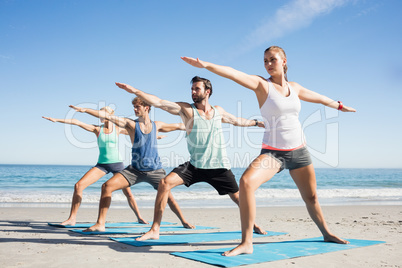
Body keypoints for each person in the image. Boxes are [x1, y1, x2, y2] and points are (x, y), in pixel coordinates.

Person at [181, 46, 356, 256]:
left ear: (284, 61)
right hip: (274, 153)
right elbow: (234, 74)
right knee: (246, 183)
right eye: (265, 61)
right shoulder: (262, 85)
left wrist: (338, 105)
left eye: (272, 59)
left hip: (299, 151)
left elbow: (317, 97)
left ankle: (326, 233)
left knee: (311, 198)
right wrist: (206, 65)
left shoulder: (295, 88)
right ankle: (247, 242)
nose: (268, 64)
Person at [115, 76, 267, 242]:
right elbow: (159, 102)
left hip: (219, 166)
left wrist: (255, 123)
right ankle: (155, 229)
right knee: (164, 183)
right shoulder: (187, 110)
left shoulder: (218, 111)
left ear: (207, 92)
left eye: (197, 89)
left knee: (238, 198)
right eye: (192, 89)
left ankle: (254, 224)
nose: (193, 92)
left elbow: (236, 121)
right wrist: (134, 91)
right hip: (195, 165)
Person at [69, 97, 193, 232]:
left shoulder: (157, 125)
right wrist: (84, 110)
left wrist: (199, 124)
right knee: (106, 187)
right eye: (133, 107)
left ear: (146, 108)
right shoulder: (131, 124)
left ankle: (184, 220)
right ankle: (100, 224)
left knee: (169, 198)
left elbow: (180, 126)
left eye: (137, 107)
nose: (134, 109)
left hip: (155, 171)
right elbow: (106, 116)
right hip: (134, 171)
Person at [43, 106, 148, 226]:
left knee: (128, 193)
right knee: (79, 186)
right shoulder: (97, 129)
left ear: (111, 114)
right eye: (100, 112)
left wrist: (155, 136)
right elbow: (76, 122)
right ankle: (72, 218)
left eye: (104, 112)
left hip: (117, 165)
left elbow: (136, 132)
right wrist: (57, 120)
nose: (101, 114)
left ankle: (139, 217)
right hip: (102, 164)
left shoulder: (117, 128)